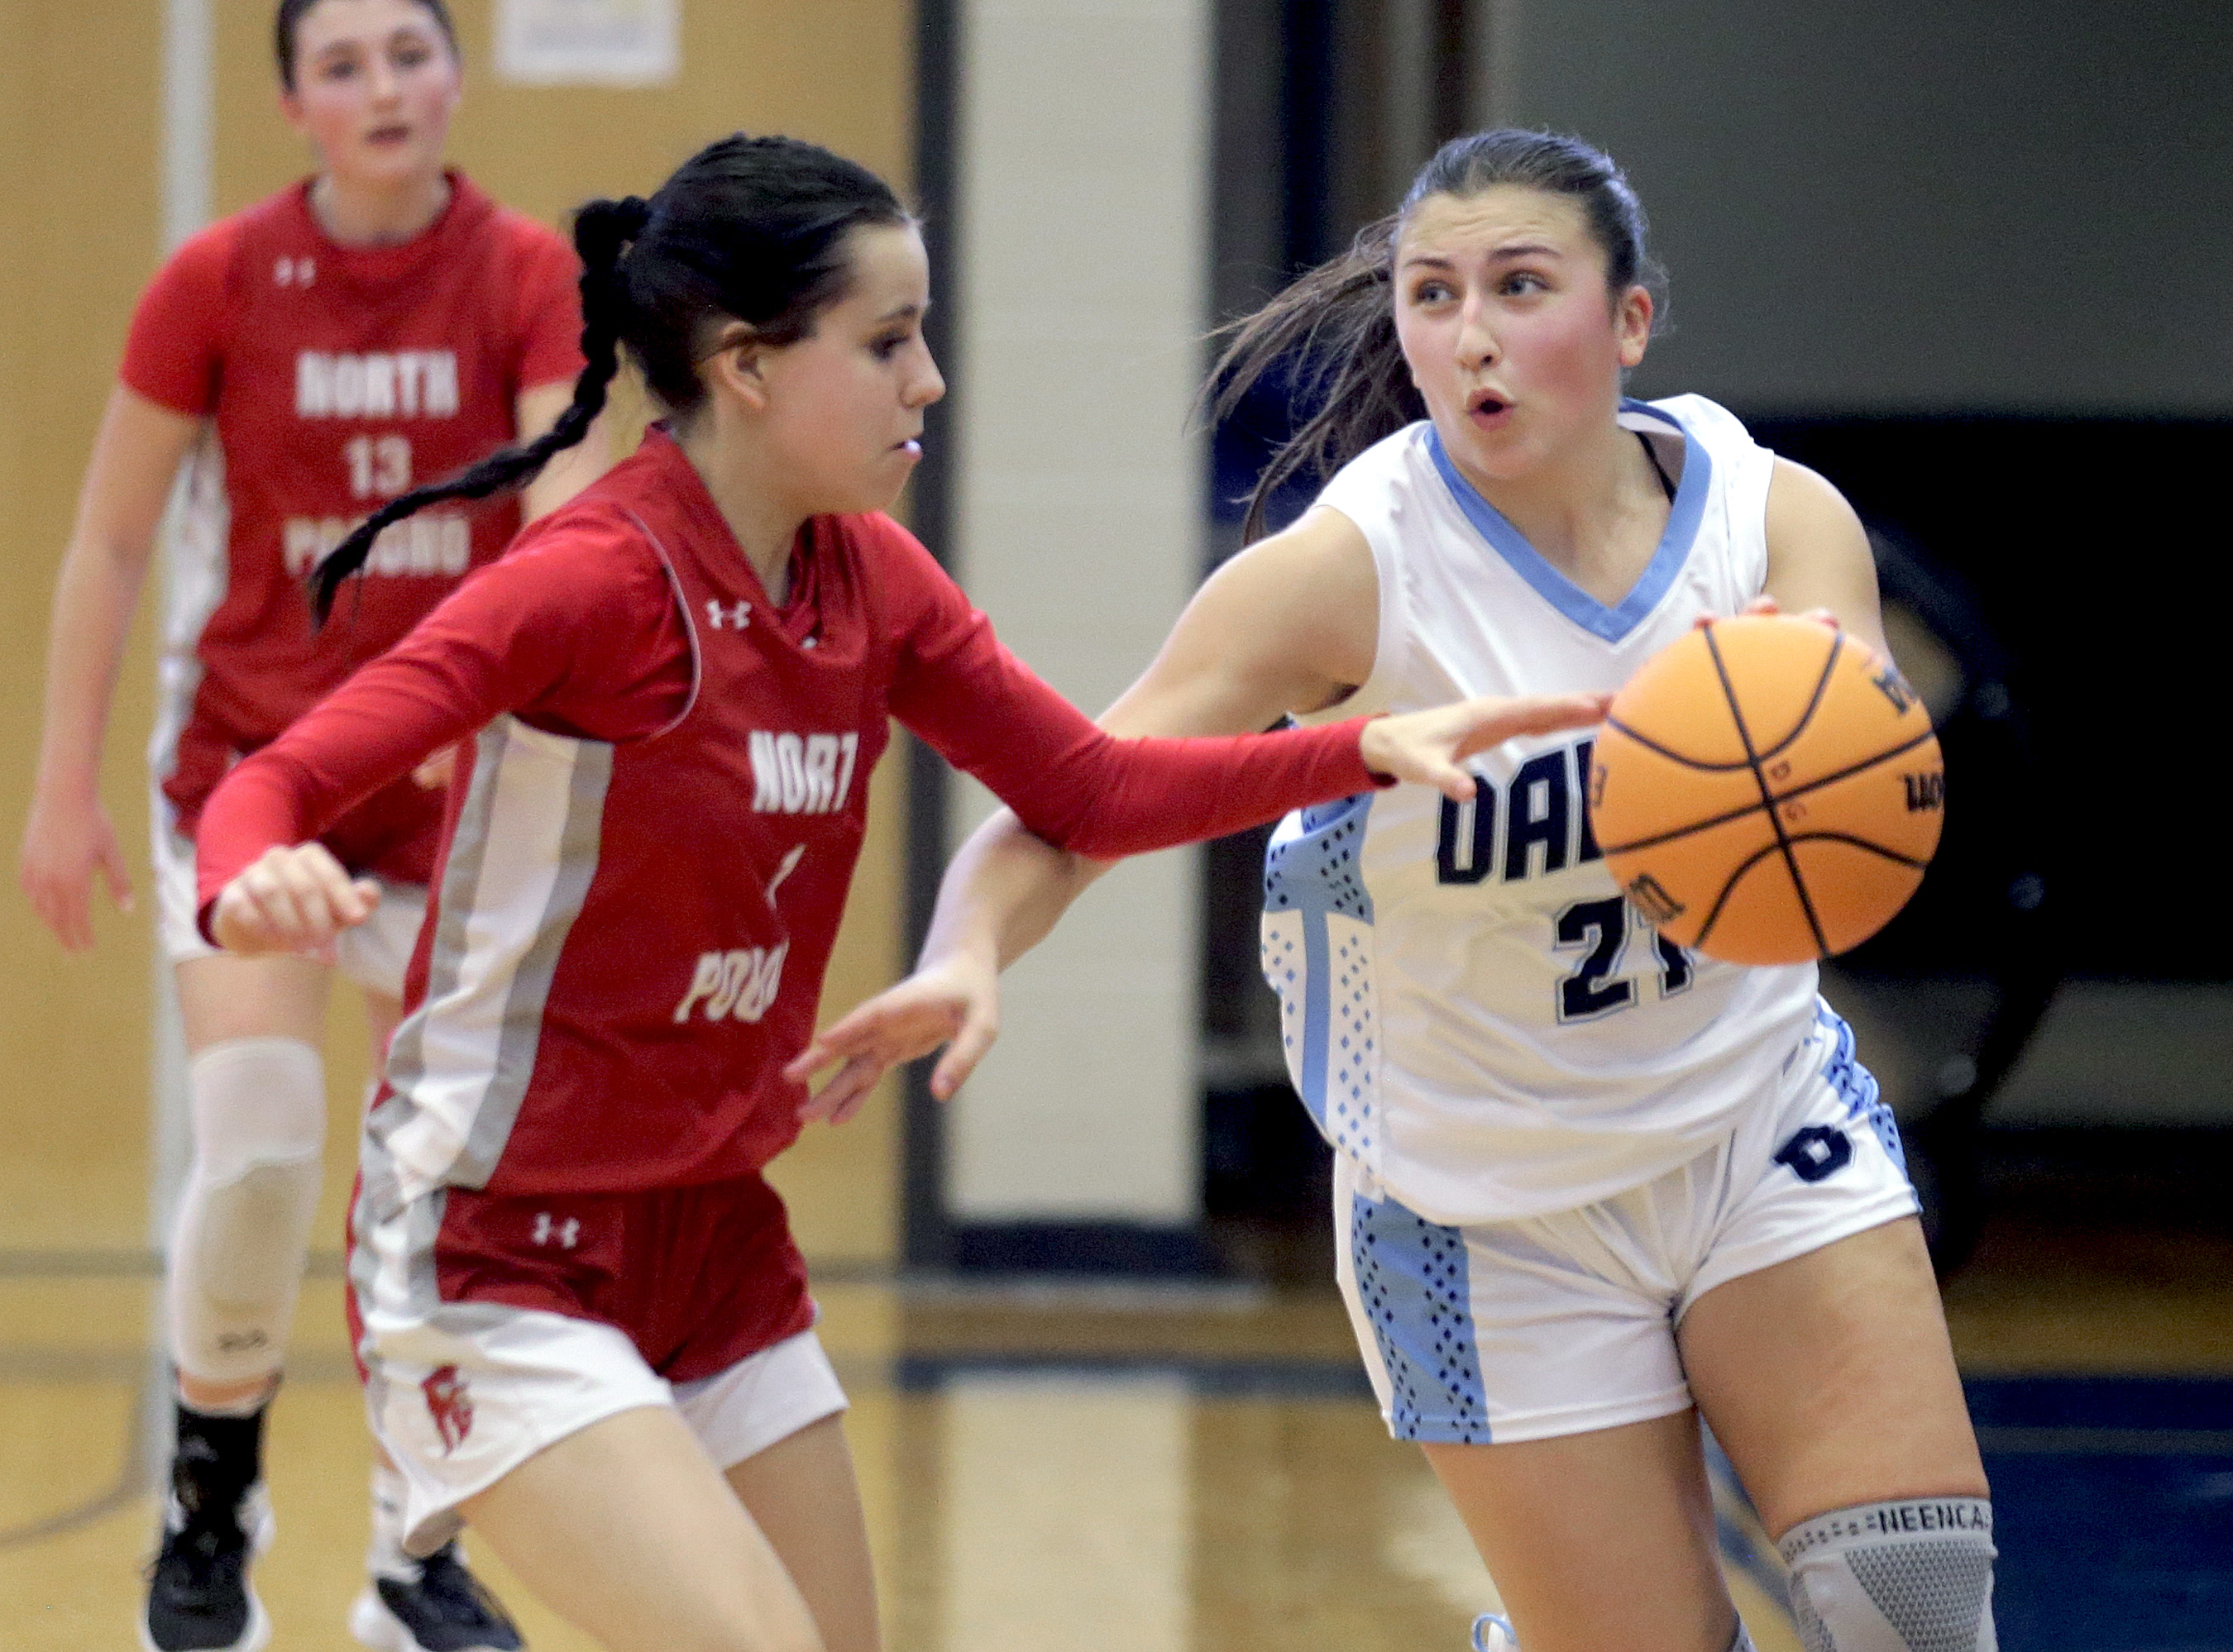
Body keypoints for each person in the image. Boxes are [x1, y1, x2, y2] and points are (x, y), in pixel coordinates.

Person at [188, 131, 1607, 1652]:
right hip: (495, 1240)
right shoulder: (589, 582)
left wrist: (1361, 748)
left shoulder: (869, 578)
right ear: (744, 365)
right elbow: (270, 781)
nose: (929, 380)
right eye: (886, 342)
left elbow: (1091, 790)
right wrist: (245, 878)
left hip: (716, 1233)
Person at [789, 129, 1998, 1652]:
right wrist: (969, 947)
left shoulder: (1774, 516)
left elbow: (1856, 777)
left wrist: (1807, 744)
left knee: (1919, 1609)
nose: (1470, 332)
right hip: (1484, 1197)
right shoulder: (1355, 567)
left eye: (1520, 285)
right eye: (1432, 294)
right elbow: (1078, 794)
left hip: (1758, 1116)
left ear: (1629, 322)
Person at [17, 2, 603, 1648]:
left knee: (442, 1190)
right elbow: (112, 543)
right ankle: (211, 1513)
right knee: (268, 1146)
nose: (382, 88)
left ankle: (418, 1553)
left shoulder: (524, 276)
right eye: (341, 64)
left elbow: (570, 537)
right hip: (254, 779)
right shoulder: (217, 282)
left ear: (455, 76)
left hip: (450, 796)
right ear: (292, 103)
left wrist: (526, 712)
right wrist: (64, 781)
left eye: (408, 53)